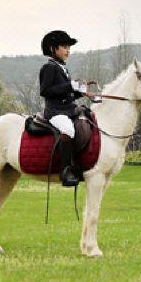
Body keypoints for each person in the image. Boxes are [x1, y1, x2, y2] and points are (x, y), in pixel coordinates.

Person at [39, 30, 88, 186]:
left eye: (69, 47)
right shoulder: (49, 68)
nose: (68, 51)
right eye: (64, 47)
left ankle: (81, 164)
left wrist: (80, 93)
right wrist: (70, 86)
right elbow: (45, 91)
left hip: (67, 109)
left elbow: (66, 96)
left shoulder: (62, 68)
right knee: (68, 129)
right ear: (53, 48)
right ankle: (66, 171)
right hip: (54, 112)